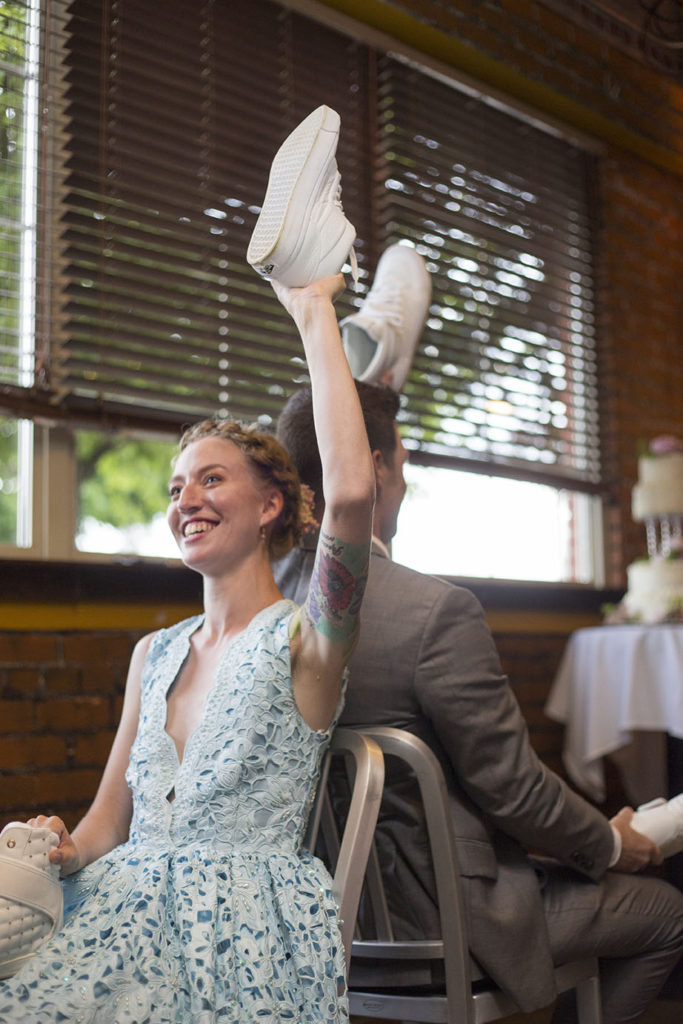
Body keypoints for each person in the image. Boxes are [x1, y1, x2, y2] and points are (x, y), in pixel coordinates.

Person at [0, 267, 375, 1021]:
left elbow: (352, 494)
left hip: (237, 934)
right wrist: (65, 849)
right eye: (176, 488)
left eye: (210, 480)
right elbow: (109, 822)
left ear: (272, 504)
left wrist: (313, 311)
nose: (186, 501)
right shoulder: (154, 652)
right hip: (122, 905)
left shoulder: (306, 642)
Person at [273, 376, 683, 1024]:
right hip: (445, 923)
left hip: (314, 924)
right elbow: (513, 790)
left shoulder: (256, 612)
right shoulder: (433, 611)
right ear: (373, 468)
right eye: (403, 464)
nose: (404, 483)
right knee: (665, 913)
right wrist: (608, 843)